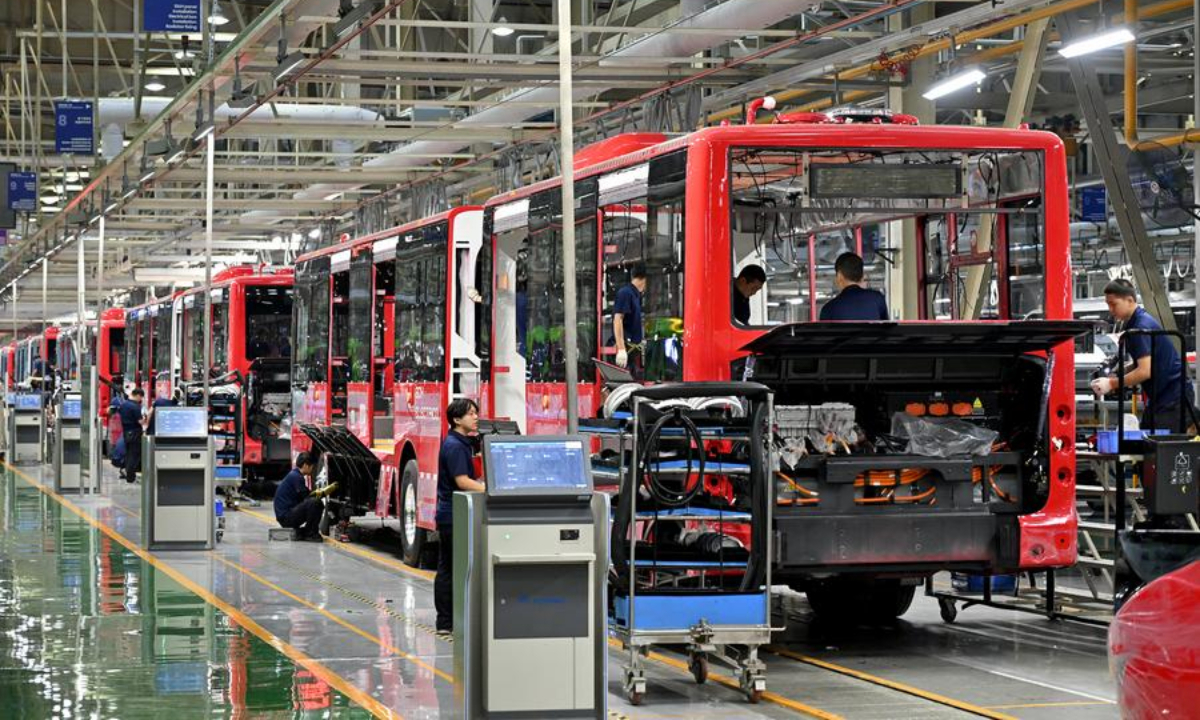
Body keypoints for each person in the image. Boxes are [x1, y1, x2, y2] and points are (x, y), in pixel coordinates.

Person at [1091, 279, 1195, 432]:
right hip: (1163, 395)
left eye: (1113, 304)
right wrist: (1121, 372)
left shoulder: (1141, 327)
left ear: (1130, 300)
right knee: (1147, 439)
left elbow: (1144, 371)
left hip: (1173, 396)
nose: (1111, 310)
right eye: (1108, 305)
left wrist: (1112, 384)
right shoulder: (1135, 322)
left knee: (1161, 449)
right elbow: (1146, 360)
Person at [435, 398, 484, 637]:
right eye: (471, 414)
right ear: (457, 419)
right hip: (453, 515)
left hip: (450, 514)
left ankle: (446, 621)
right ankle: (447, 621)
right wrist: (490, 490)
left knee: (448, 567)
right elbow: (462, 482)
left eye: (476, 413)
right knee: (453, 568)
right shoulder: (454, 446)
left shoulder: (459, 442)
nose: (475, 417)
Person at [273, 451, 335, 541]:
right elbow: (307, 498)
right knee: (315, 503)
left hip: (286, 515)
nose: (312, 469)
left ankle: (309, 530)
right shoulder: (296, 477)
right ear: (306, 465)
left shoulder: (294, 475)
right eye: (312, 467)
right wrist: (320, 494)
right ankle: (310, 533)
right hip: (286, 517)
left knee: (314, 502)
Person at [819, 252, 889, 321]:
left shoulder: (829, 309)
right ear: (862, 277)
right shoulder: (878, 299)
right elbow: (886, 328)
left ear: (839, 276)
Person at [613, 264, 647, 371]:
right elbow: (618, 319)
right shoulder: (626, 293)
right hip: (625, 352)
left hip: (632, 351)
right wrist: (621, 349)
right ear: (643, 279)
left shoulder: (635, 295)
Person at [116, 388, 146, 483]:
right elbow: (140, 421)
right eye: (141, 397)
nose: (140, 399)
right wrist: (146, 418)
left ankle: (127, 474)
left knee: (129, 454)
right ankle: (130, 477)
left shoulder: (124, 405)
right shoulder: (135, 407)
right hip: (135, 433)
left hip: (126, 432)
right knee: (134, 455)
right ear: (137, 395)